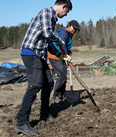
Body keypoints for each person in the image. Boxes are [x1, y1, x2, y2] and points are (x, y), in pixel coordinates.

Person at [15, 0, 72, 135]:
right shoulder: (47, 12)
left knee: (49, 83)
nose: (65, 15)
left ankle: (45, 114)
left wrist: (61, 55)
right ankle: (21, 122)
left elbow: (48, 43)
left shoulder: (52, 19)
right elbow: (48, 34)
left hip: (39, 56)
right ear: (64, 6)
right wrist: (60, 41)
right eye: (67, 11)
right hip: (30, 52)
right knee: (35, 85)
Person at [48, 20, 80, 101]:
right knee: (62, 75)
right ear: (69, 25)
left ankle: (62, 94)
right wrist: (66, 55)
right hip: (55, 56)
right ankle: (56, 94)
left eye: (76, 30)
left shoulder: (69, 34)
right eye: (74, 28)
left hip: (61, 57)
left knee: (64, 76)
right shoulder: (63, 32)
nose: (74, 30)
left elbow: (66, 46)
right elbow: (62, 44)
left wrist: (68, 53)